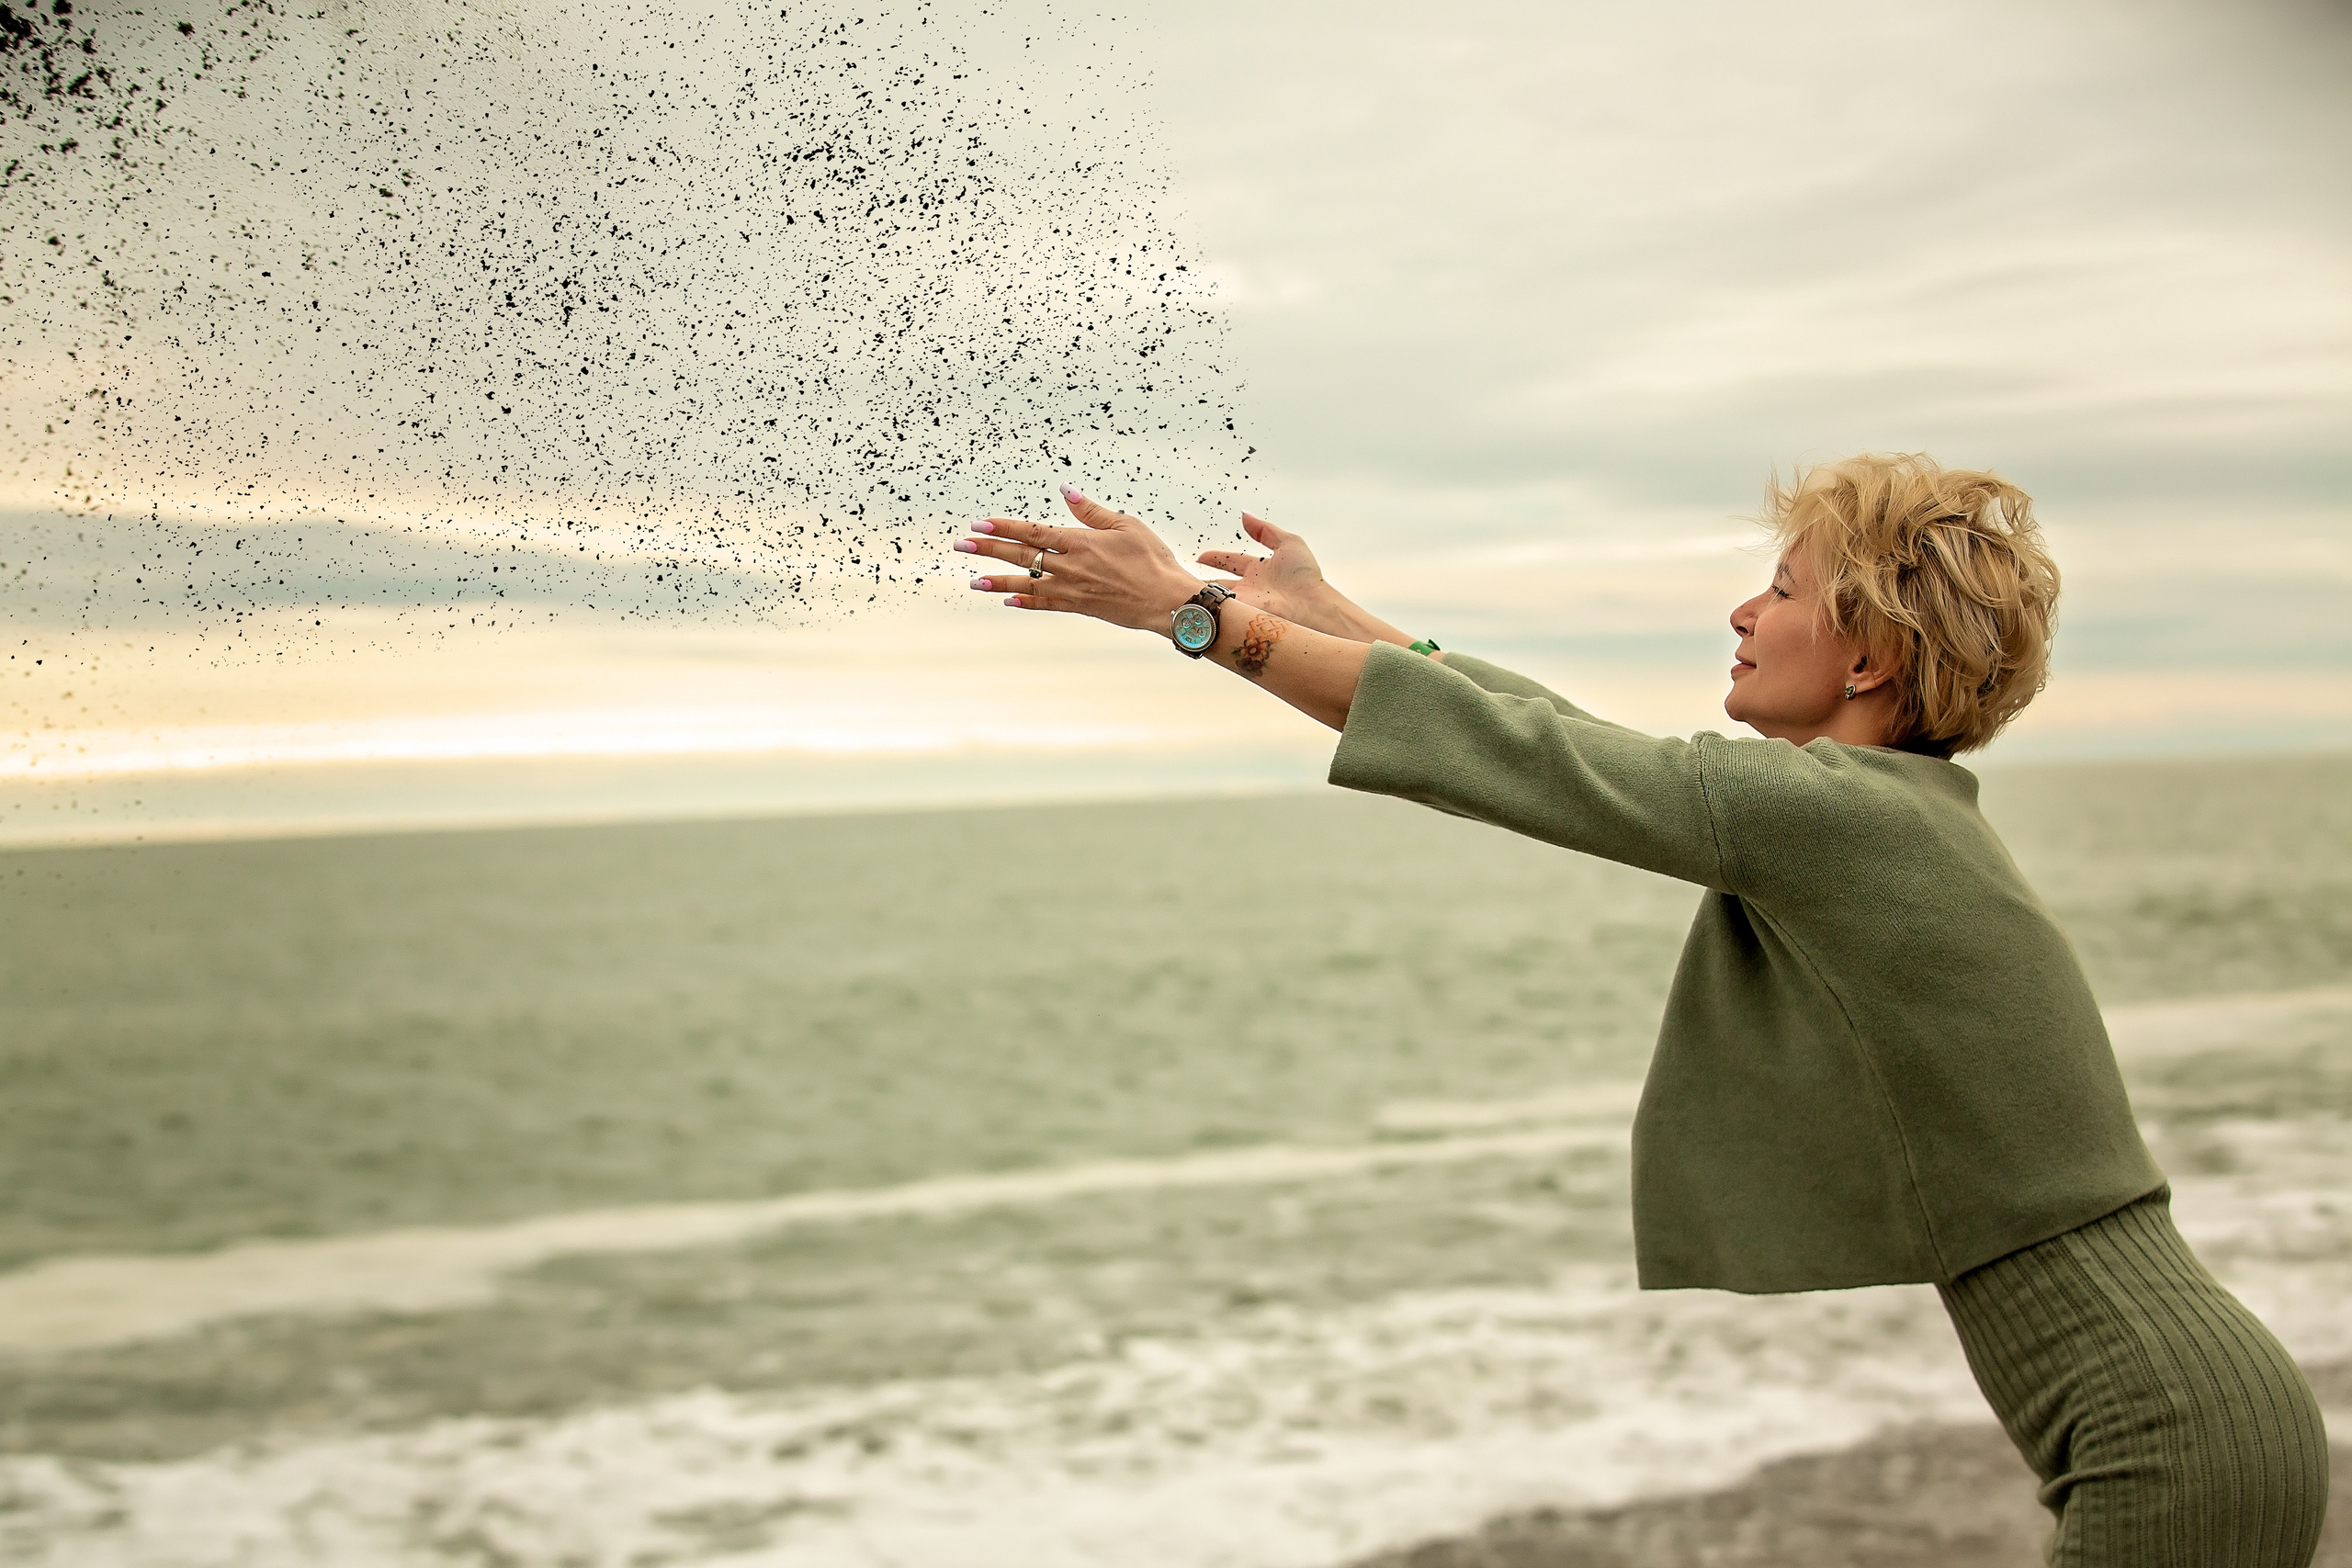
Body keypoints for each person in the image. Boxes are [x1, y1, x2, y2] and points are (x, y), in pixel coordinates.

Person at [953, 453, 2329, 1567]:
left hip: (2163, 1426)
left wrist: (1190, 615)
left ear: (1867, 658)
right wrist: (1335, 619)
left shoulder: (1833, 818)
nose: (1742, 614)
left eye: (1781, 589)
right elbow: (1563, 741)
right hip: (2182, 1405)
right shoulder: (1873, 814)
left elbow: (1530, 758)